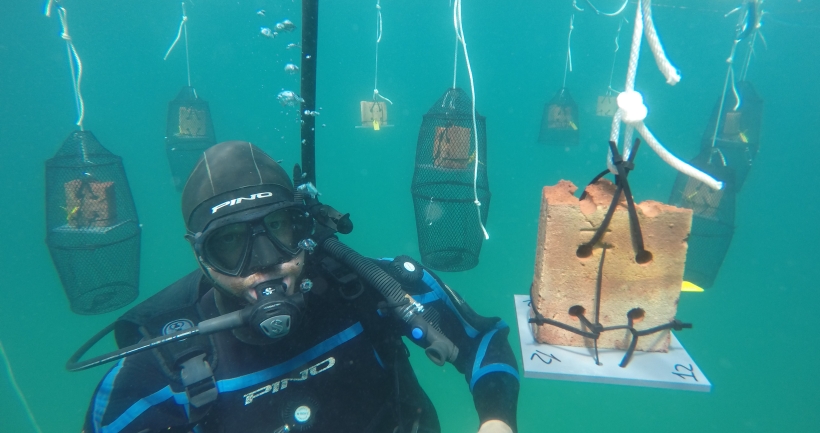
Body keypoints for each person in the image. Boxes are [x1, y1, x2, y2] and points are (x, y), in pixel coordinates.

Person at [82, 141, 519, 433]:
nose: (265, 264)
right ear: (200, 254)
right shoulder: (157, 367)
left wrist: (496, 421)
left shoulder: (374, 288)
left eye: (278, 229)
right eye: (230, 244)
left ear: (304, 226)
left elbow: (482, 339)